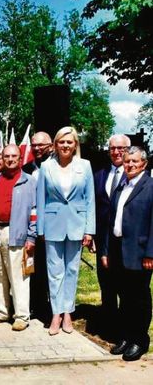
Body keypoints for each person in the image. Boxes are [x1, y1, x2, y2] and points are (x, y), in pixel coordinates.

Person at [37, 126, 95, 335]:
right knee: (54, 272)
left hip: (77, 225)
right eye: (61, 141)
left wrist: (89, 230)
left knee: (72, 270)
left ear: (75, 145)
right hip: (52, 225)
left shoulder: (84, 166)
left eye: (69, 142)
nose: (65, 145)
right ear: (55, 144)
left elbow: (90, 200)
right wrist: (40, 228)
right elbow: (41, 199)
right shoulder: (46, 167)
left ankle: (68, 313)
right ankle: (56, 314)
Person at [100, 146, 153, 361]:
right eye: (127, 161)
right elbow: (109, 221)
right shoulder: (120, 187)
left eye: (134, 161)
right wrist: (105, 250)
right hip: (117, 250)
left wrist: (151, 253)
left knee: (139, 298)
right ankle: (125, 336)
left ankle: (140, 340)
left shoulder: (150, 187)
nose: (130, 165)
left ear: (144, 164)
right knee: (124, 296)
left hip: (140, 253)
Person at [0, 144, 37, 331]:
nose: (10, 159)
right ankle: (1, 311)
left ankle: (22, 315)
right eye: (6, 156)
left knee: (19, 276)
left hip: (17, 233)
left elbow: (34, 211)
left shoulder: (29, 181)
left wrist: (31, 237)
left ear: (20, 157)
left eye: (14, 156)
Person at [93, 134, 131, 338]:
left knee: (124, 287)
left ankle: (124, 330)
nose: (116, 152)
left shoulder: (134, 175)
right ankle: (109, 325)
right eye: (112, 148)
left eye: (121, 149)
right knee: (105, 284)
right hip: (103, 240)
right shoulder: (99, 175)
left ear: (128, 150)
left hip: (125, 240)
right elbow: (95, 207)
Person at [24, 131, 53, 323]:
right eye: (34, 145)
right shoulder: (26, 169)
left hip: (52, 227)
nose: (37, 149)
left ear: (50, 146)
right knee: (33, 268)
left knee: (53, 269)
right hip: (31, 228)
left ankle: (53, 308)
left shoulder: (56, 167)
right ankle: (35, 304)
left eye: (41, 145)